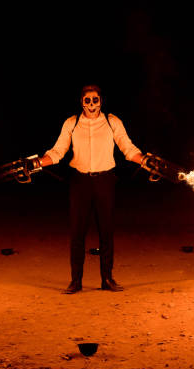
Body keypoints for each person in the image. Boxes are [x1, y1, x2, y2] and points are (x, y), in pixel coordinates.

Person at [34, 84, 145, 294]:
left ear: (101, 101)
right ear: (81, 102)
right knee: (77, 233)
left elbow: (128, 148)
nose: (91, 105)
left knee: (106, 232)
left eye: (95, 100)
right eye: (87, 100)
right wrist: (37, 163)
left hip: (105, 180)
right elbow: (57, 152)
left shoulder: (112, 122)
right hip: (80, 182)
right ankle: (75, 281)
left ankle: (107, 279)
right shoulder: (72, 123)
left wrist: (145, 161)